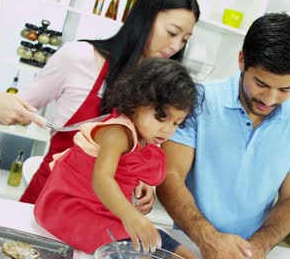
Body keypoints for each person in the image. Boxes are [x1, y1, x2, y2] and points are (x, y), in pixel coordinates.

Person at [0, 0, 200, 205]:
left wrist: (144, 184)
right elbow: (16, 108)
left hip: (104, 216)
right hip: (48, 202)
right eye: (171, 32)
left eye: (184, 40)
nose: (175, 46)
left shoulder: (167, 88)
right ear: (144, 17)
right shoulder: (80, 57)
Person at [156, 13, 290, 259]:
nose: (270, 99)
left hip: (252, 251)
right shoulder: (199, 99)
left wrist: (258, 246)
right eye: (261, 84)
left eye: (285, 89)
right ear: (242, 60)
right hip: (191, 241)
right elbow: (170, 176)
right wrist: (207, 237)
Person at [34, 58, 203, 257]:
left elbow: (126, 168)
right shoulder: (117, 133)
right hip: (72, 209)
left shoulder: (145, 134)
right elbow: (102, 178)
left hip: (103, 209)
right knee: (133, 247)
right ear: (137, 102)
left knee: (160, 240)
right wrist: (129, 215)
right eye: (161, 118)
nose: (167, 130)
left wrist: (140, 183)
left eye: (176, 123)